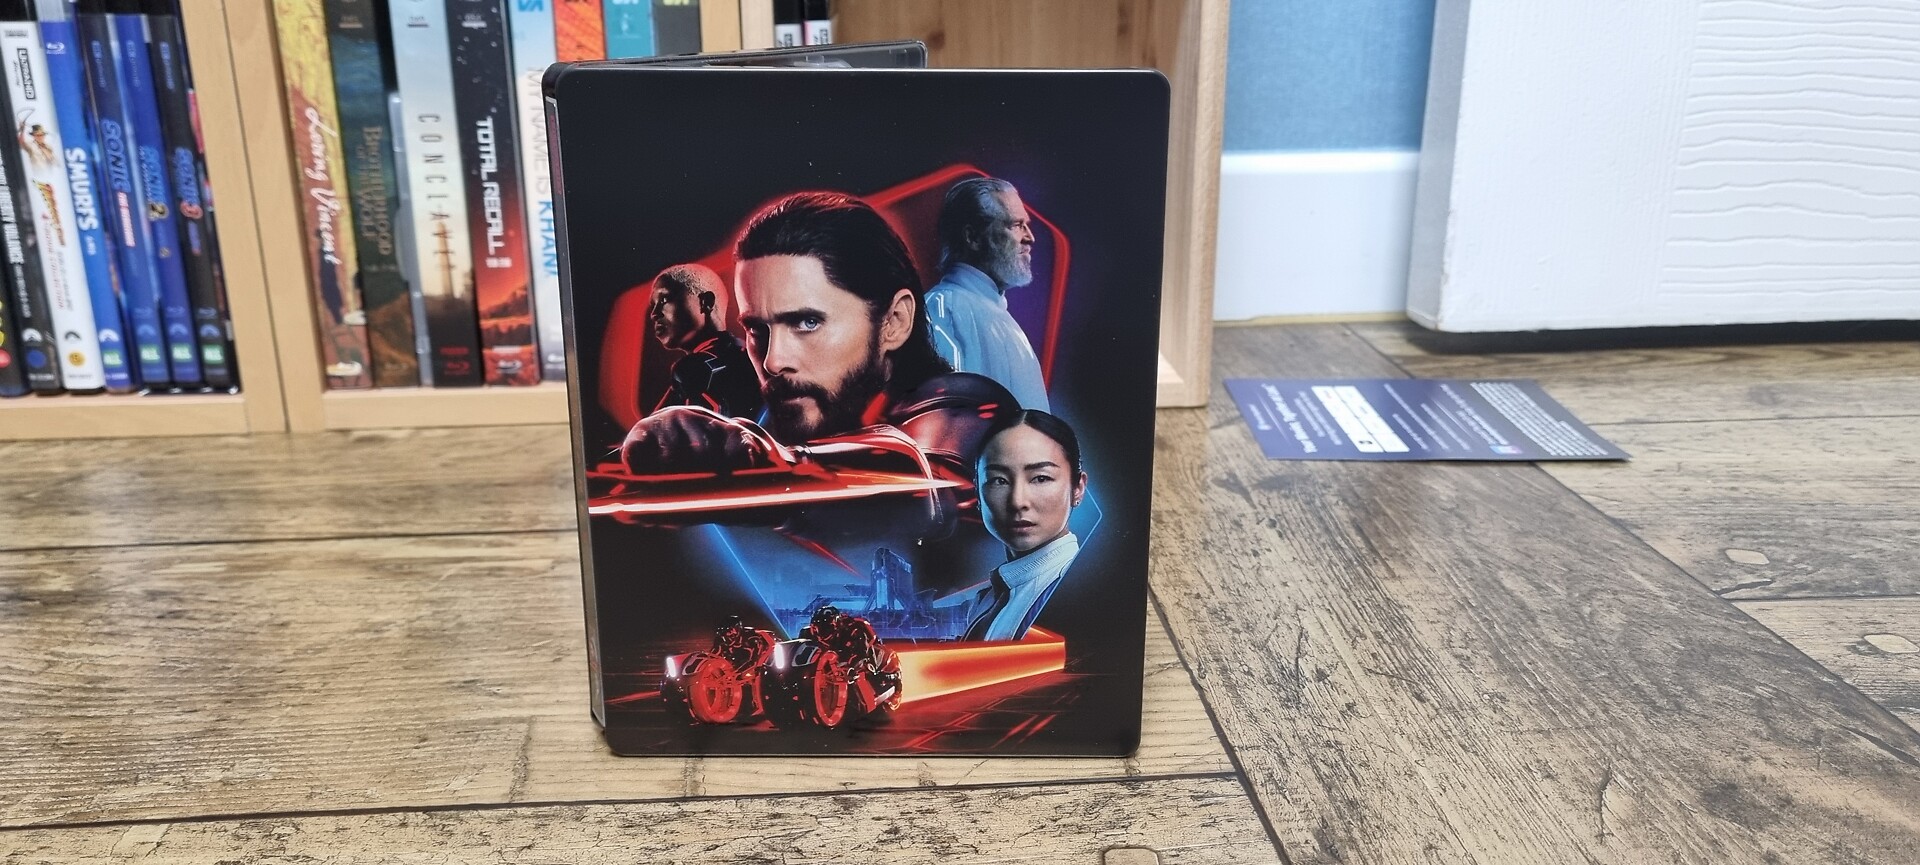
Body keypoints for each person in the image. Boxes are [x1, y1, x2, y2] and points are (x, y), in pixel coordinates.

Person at [620, 192, 1016, 480]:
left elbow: (929, 478)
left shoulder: (964, 406)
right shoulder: (769, 418)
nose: (773, 360)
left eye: (807, 323)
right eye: (756, 328)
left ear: (894, 321)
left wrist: (762, 461)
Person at [924, 177, 1049, 412]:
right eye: (1016, 225)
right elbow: (946, 418)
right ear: (972, 237)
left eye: (1026, 224)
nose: (1030, 237)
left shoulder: (1000, 317)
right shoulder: (943, 310)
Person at [964, 410, 1087, 641]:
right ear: (977, 491)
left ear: (1077, 488)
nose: (1018, 501)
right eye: (999, 480)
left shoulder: (1078, 592)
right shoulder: (989, 598)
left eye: (1041, 478)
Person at [646, 263, 761, 419]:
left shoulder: (693, 371)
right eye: (653, 305)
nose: (654, 314)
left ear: (706, 302)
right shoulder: (744, 356)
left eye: (664, 300)